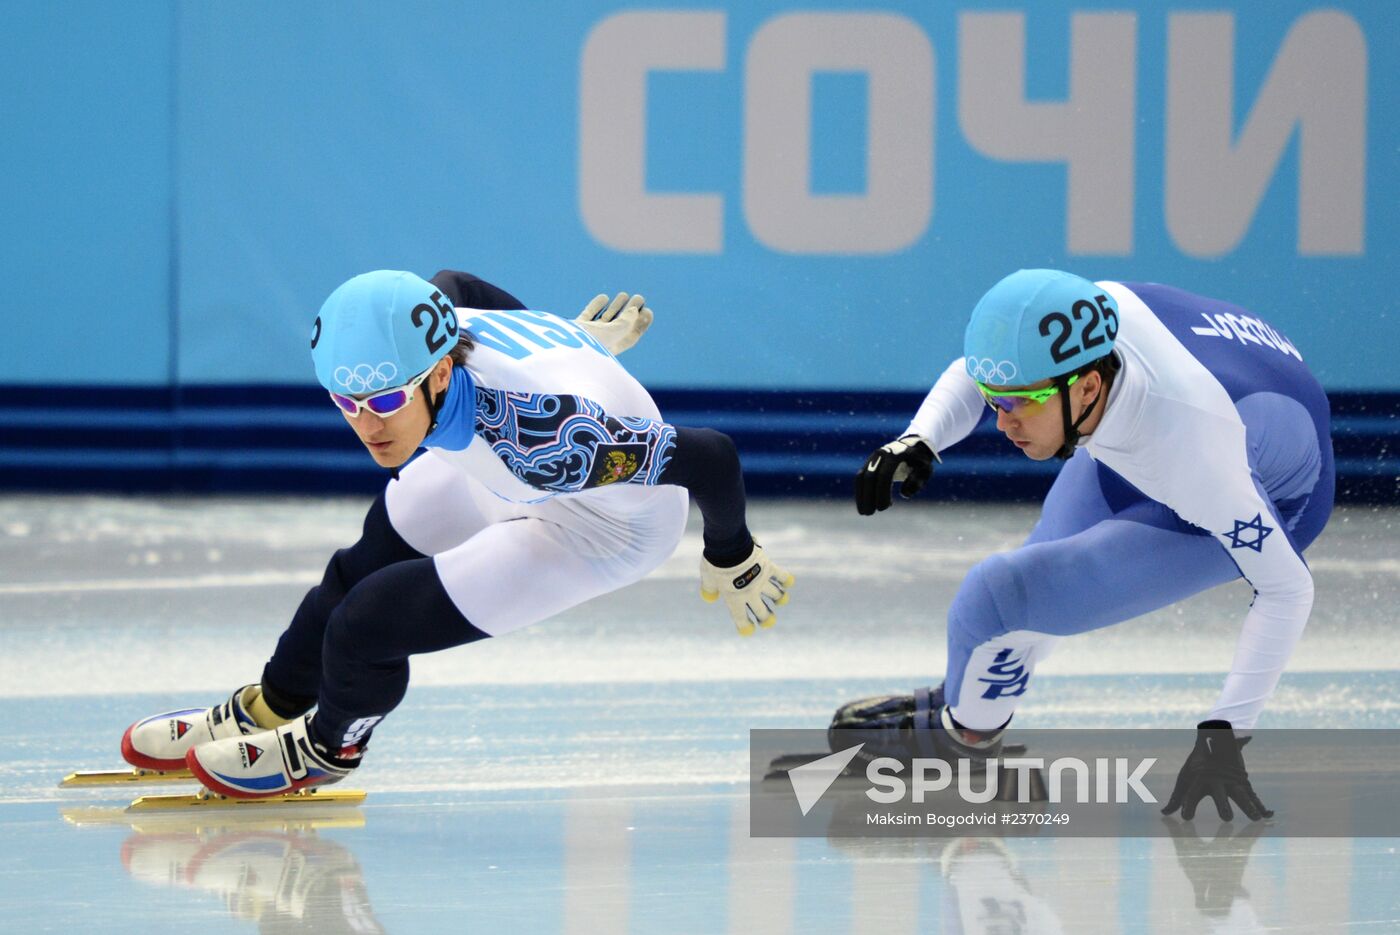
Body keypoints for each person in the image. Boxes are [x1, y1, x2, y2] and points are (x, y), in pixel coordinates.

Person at [121, 269, 794, 798]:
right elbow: (461, 284)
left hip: (599, 527)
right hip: (489, 466)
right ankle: (273, 704)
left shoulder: (552, 441)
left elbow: (712, 456)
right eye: (347, 403)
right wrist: (569, 342)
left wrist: (731, 555)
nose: (368, 425)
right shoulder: (435, 316)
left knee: (365, 626)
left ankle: (330, 745)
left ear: (440, 373)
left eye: (385, 400)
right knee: (356, 568)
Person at [834, 269, 1332, 821]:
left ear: (1089, 387)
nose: (1001, 423)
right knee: (1028, 591)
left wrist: (1226, 734)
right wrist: (920, 437)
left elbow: (1288, 588)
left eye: (1018, 404)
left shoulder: (1200, 456)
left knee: (998, 596)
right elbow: (977, 374)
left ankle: (963, 740)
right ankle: (973, 699)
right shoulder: (1086, 327)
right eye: (996, 402)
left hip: (1262, 486)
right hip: (1196, 422)